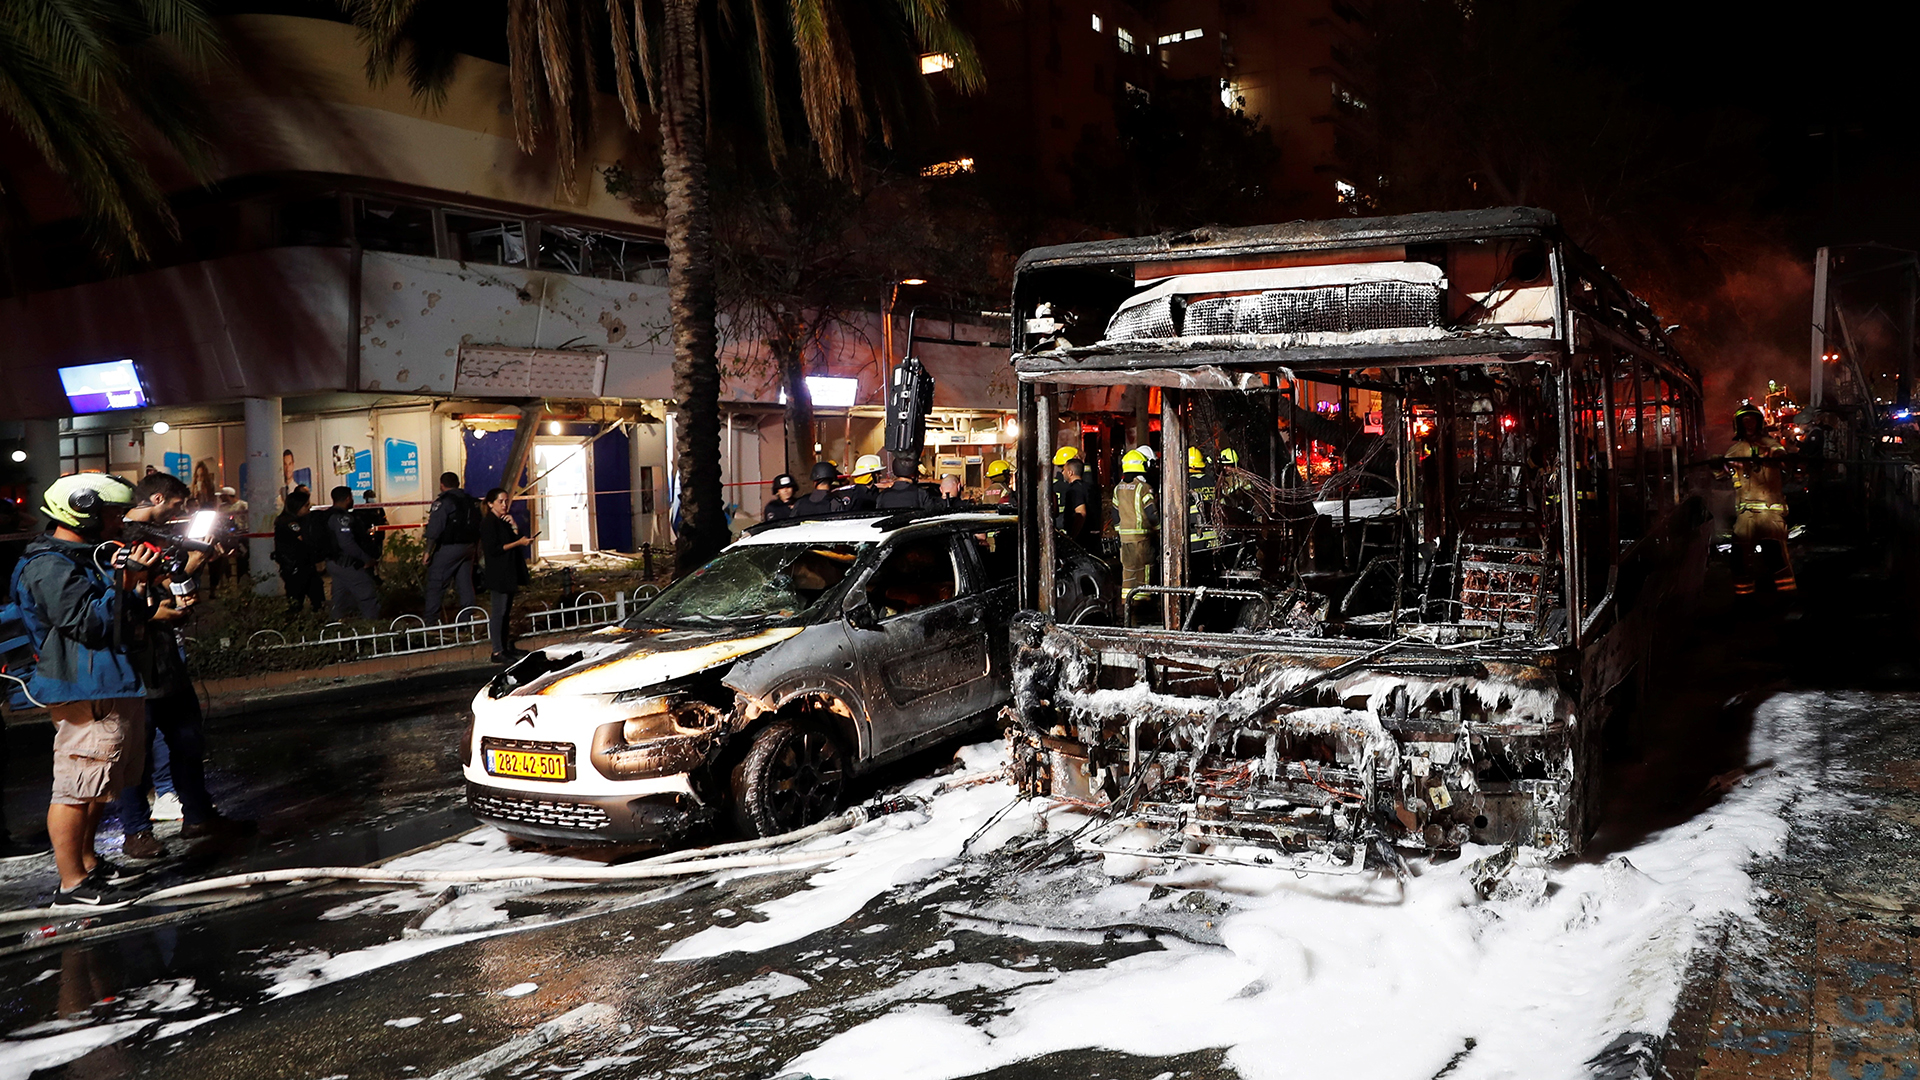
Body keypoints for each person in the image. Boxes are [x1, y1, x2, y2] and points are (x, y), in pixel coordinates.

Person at [11, 472, 153, 906]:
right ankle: (72, 884)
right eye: (113, 513)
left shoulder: (86, 555)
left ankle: (89, 864)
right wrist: (122, 585)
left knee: (99, 782)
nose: (120, 522)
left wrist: (137, 584)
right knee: (75, 787)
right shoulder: (48, 565)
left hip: (109, 680)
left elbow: (119, 618)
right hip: (82, 685)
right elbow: (87, 624)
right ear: (84, 509)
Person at [113, 474, 249, 862]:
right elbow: (127, 600)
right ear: (157, 497)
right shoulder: (124, 540)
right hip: (137, 667)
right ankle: (136, 831)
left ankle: (199, 815)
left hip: (167, 660)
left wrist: (194, 562)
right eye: (176, 504)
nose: (180, 511)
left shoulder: (160, 536)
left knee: (188, 742)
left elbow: (175, 584)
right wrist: (189, 565)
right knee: (135, 754)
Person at [1724, 404, 1796, 595]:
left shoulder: (1770, 445)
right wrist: (1717, 464)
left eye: (1752, 420)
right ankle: (1744, 599)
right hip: (1745, 515)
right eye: (1745, 421)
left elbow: (1784, 461)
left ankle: (1786, 596)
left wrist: (1775, 456)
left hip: (1769, 514)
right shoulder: (1734, 451)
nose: (1749, 424)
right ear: (1739, 424)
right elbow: (1722, 474)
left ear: (1758, 422)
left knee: (1775, 558)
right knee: (1738, 560)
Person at [479, 487, 533, 663]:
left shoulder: (502, 521)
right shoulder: (488, 523)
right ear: (490, 503)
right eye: (500, 501)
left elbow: (511, 540)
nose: (504, 505)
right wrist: (518, 541)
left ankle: (504, 646)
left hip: (508, 570)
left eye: (506, 501)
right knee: (499, 612)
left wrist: (514, 527)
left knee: (506, 611)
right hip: (498, 573)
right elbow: (495, 549)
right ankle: (497, 650)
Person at [422, 473, 481, 626]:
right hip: (469, 548)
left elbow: (435, 528)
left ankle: (431, 622)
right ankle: (466, 620)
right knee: (465, 583)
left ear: (442, 485)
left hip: (449, 548)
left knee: (436, 582)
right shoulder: (471, 501)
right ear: (458, 483)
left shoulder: (444, 502)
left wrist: (428, 551)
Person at [319, 487, 381, 620]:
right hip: (347, 563)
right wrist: (366, 559)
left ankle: (337, 629)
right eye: (351, 497)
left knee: (340, 599)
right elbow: (347, 544)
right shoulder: (341, 518)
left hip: (334, 563)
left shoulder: (326, 515)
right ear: (348, 498)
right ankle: (372, 630)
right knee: (367, 595)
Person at [1112, 450, 1159, 615]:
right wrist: (1159, 532)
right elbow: (1152, 515)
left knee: (1128, 575)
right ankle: (1143, 612)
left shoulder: (1118, 488)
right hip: (1142, 540)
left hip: (1125, 541)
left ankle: (1127, 611)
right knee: (1144, 575)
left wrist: (1121, 533)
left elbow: (1115, 515)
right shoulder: (1144, 488)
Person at [273, 488, 326, 615]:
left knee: (317, 597)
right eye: (306, 505)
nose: (308, 508)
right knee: (296, 602)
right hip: (296, 567)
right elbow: (304, 539)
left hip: (303, 565)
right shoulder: (289, 523)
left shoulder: (293, 520)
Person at [207, 486, 249, 593]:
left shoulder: (243, 505)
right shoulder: (222, 508)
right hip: (226, 536)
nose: (220, 498)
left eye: (222, 496)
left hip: (242, 534)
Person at [355, 489, 388, 561]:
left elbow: (384, 519)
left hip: (378, 535)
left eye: (373, 497)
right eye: (370, 497)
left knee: (378, 553)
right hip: (366, 536)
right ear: (365, 498)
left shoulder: (379, 508)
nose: (372, 499)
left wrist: (384, 524)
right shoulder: (361, 509)